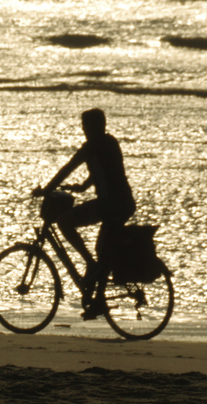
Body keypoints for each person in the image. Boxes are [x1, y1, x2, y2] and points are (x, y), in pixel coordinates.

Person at [32, 108, 136, 317]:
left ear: (94, 127)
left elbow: (67, 168)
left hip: (112, 205)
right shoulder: (109, 142)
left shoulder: (91, 146)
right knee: (102, 250)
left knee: (64, 222)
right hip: (122, 203)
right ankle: (98, 301)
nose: (84, 130)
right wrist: (83, 187)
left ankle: (91, 267)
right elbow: (107, 169)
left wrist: (47, 190)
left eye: (86, 126)